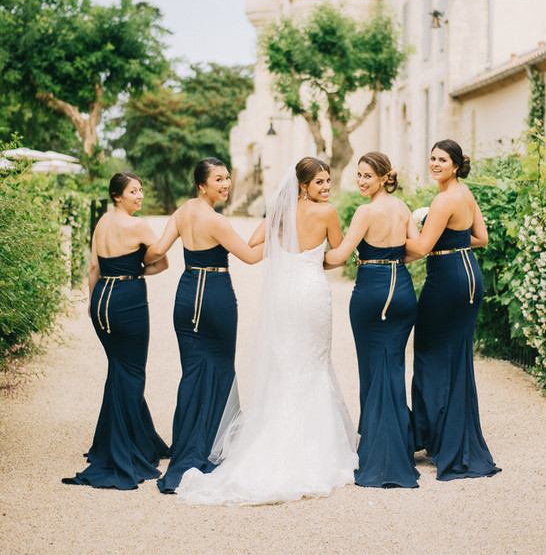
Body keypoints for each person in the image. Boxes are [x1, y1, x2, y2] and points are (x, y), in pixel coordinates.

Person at [174, 156, 358, 506]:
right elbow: (338, 257)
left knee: (287, 364)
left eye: (328, 181)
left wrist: (286, 250)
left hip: (284, 294)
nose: (326, 187)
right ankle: (316, 446)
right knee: (313, 363)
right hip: (311, 291)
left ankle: (273, 440)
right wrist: (314, 259)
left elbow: (256, 243)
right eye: (319, 182)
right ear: (303, 185)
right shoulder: (328, 213)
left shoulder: (279, 212)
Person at [143, 157, 264, 494]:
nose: (225, 184)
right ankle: (215, 446)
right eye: (218, 180)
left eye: (227, 178)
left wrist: (126, 261)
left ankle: (187, 443)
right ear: (201, 185)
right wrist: (286, 238)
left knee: (192, 373)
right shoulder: (216, 220)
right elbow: (250, 256)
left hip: (186, 295)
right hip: (215, 297)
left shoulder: (182, 212)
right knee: (222, 370)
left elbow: (156, 251)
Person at [62, 172, 169, 489]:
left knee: (119, 369)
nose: (140, 195)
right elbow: (162, 261)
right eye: (133, 191)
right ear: (117, 195)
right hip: (128, 301)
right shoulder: (139, 226)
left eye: (141, 190)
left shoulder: (102, 222)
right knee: (133, 372)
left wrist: (91, 302)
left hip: (101, 302)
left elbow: (93, 267)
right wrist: (137, 269)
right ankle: (125, 449)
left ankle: (125, 439)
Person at [405, 139, 500, 481]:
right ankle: (445, 434)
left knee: (429, 353)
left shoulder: (444, 199)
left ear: (456, 165)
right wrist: (446, 240)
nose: (435, 163)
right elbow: (481, 237)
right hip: (469, 276)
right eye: (432, 158)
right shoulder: (465, 193)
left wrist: (383, 244)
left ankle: (438, 437)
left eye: (442, 159)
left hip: (446, 281)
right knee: (456, 358)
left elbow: (420, 248)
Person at [325, 152, 420, 488]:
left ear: (383, 178)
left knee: (372, 370)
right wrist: (392, 257)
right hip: (402, 291)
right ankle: (400, 445)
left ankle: (380, 452)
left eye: (367, 175)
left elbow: (339, 255)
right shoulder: (403, 207)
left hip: (371, 293)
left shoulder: (365, 212)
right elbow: (418, 248)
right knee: (392, 367)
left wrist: (304, 258)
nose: (361, 181)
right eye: (359, 175)